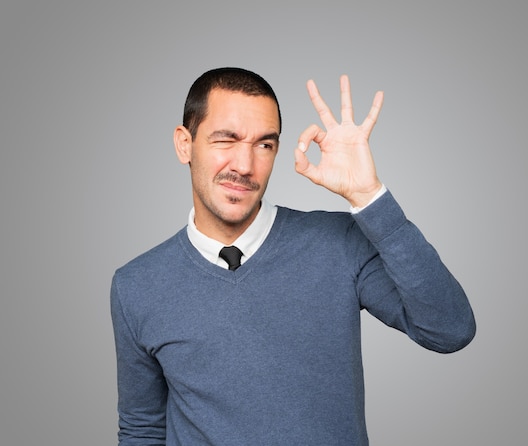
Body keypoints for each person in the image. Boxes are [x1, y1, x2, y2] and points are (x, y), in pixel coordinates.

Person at [111, 67, 476, 445]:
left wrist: (369, 197)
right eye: (226, 140)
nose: (244, 165)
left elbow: (450, 330)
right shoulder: (137, 285)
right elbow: (143, 428)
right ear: (184, 144)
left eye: (264, 144)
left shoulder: (339, 243)